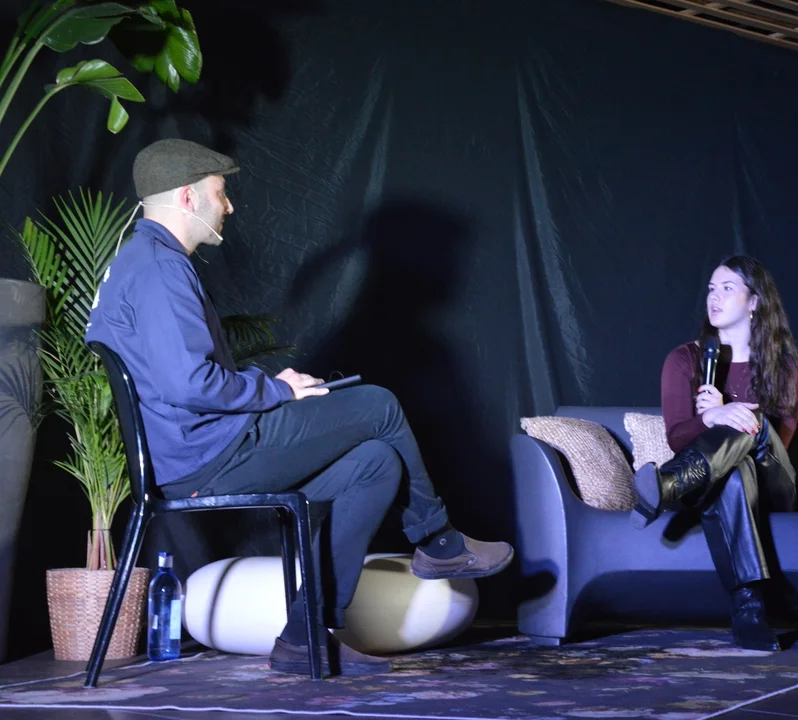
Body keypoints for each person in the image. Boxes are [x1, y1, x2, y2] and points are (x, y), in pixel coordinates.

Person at [84, 138, 514, 677]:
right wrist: (278, 391)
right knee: (378, 404)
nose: (229, 206)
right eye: (220, 193)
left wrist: (274, 388)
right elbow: (189, 384)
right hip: (209, 457)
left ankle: (305, 636)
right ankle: (438, 540)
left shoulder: (141, 261)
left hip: (201, 450)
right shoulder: (159, 269)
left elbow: (179, 377)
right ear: (189, 197)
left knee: (377, 462)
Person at [628, 255, 798, 651]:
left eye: (728, 288)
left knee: (752, 423)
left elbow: (777, 444)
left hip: (773, 483)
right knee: (733, 475)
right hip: (714, 482)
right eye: (712, 288)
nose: (715, 297)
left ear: (755, 301)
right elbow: (678, 437)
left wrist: (729, 411)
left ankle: (668, 484)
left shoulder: (782, 366)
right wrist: (709, 417)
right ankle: (749, 612)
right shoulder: (684, 360)